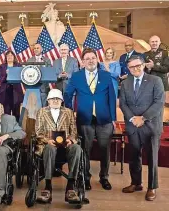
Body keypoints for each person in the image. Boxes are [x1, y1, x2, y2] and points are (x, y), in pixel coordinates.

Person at [64, 48, 116, 191]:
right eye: (87, 58)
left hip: (104, 119)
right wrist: (70, 112)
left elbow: (112, 96)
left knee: (104, 150)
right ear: (82, 62)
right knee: (85, 150)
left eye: (93, 58)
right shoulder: (76, 76)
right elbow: (67, 95)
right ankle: (85, 178)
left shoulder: (105, 75)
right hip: (84, 119)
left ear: (97, 59)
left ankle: (104, 177)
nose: (91, 60)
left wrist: (113, 118)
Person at [120, 55, 165, 201]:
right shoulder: (126, 82)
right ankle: (136, 183)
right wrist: (133, 119)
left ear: (143, 65)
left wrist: (143, 118)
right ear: (128, 68)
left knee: (152, 158)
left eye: (138, 65)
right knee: (133, 156)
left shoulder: (155, 81)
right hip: (133, 126)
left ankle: (152, 187)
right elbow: (123, 104)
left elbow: (159, 103)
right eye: (132, 67)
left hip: (151, 126)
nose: (136, 68)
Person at [35, 89, 82, 204]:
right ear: (48, 101)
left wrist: (71, 140)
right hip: (48, 145)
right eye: (52, 99)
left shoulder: (68, 112)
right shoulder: (41, 112)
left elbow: (74, 131)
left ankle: (70, 187)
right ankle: (48, 186)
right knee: (50, 148)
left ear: (62, 101)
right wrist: (47, 140)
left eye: (58, 99)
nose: (55, 100)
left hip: (65, 146)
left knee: (77, 148)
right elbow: (38, 132)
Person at [0, 50, 24, 122]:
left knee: (16, 113)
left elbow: (21, 77)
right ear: (6, 57)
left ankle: (16, 129)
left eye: (11, 55)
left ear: (14, 57)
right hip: (5, 92)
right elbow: (0, 80)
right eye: (8, 56)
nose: (9, 57)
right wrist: (6, 74)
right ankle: (7, 129)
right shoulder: (2, 66)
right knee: (7, 113)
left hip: (16, 91)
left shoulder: (18, 65)